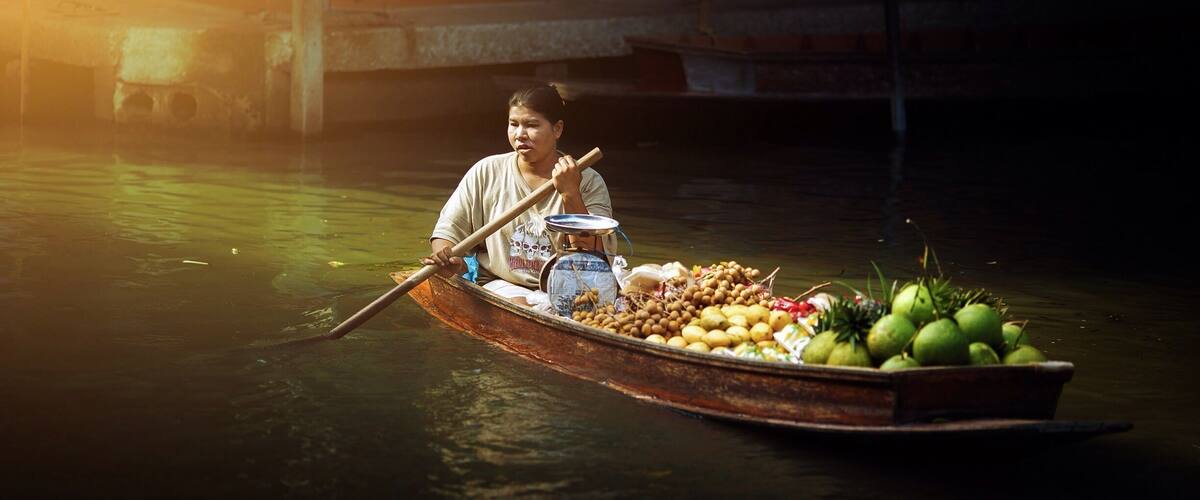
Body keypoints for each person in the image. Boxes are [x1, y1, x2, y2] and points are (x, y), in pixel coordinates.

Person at [421, 85, 616, 305]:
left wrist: (570, 193)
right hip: (500, 284)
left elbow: (593, 257)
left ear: (557, 129)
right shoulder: (487, 171)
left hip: (569, 290)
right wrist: (449, 259)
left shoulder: (588, 181)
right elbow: (448, 231)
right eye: (513, 124)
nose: (520, 134)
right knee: (518, 303)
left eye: (532, 125)